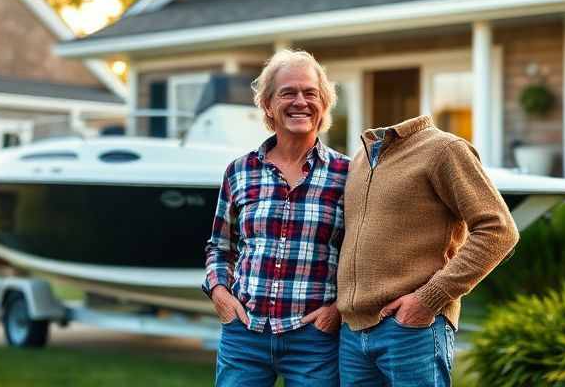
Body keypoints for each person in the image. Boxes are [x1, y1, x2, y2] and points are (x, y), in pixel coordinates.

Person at [337, 116, 520, 386]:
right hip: (353, 334)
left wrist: (427, 300)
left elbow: (499, 230)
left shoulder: (443, 149)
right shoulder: (360, 159)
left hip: (412, 329)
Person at [203, 49, 350, 386]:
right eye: (288, 93)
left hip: (314, 337)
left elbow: (362, 256)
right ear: (268, 105)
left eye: (310, 93)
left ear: (324, 104)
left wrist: (338, 310)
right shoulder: (239, 171)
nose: (300, 101)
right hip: (245, 334)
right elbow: (219, 246)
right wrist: (220, 294)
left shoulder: (348, 174)